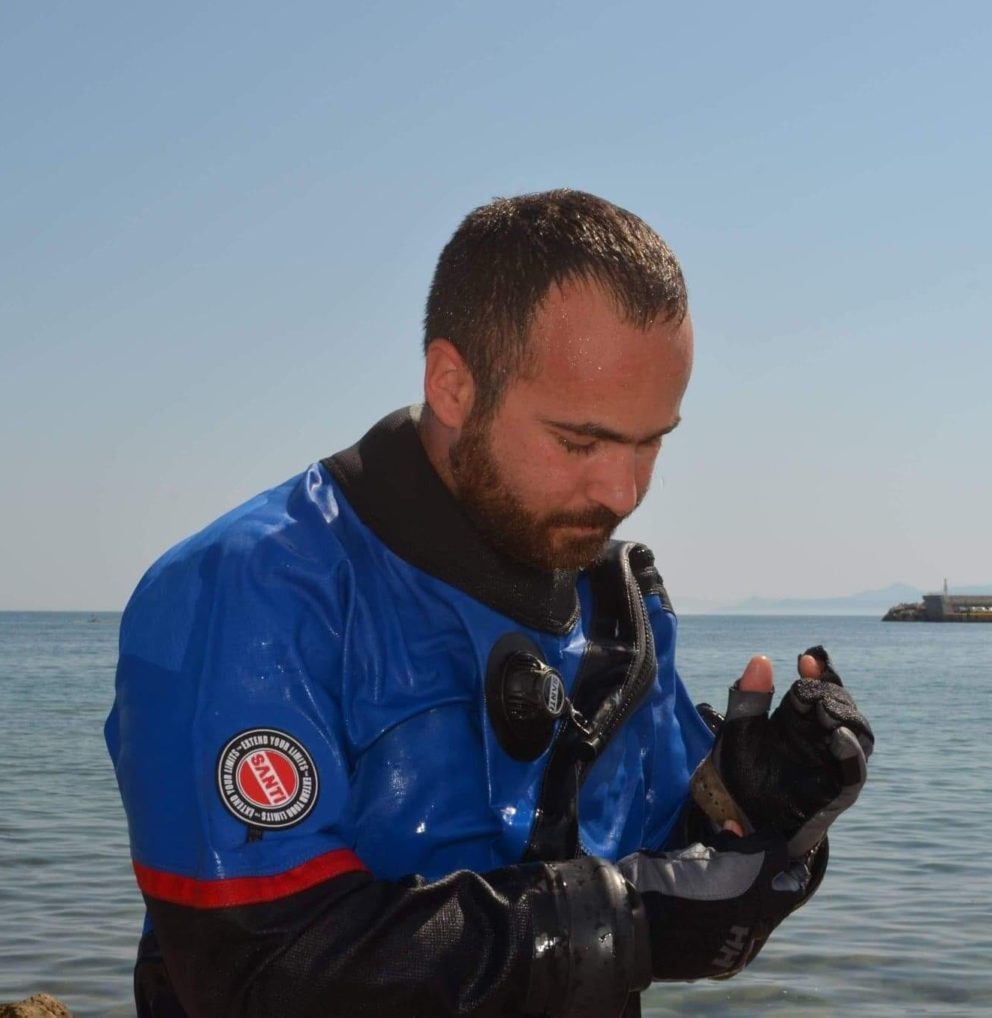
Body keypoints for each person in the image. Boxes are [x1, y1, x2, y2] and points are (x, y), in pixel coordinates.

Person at [106, 189, 874, 1017]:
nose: (624, 490)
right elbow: (258, 973)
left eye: (652, 441)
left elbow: (676, 880)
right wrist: (623, 923)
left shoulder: (619, 612)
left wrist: (761, 814)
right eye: (580, 441)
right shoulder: (246, 593)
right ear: (452, 386)